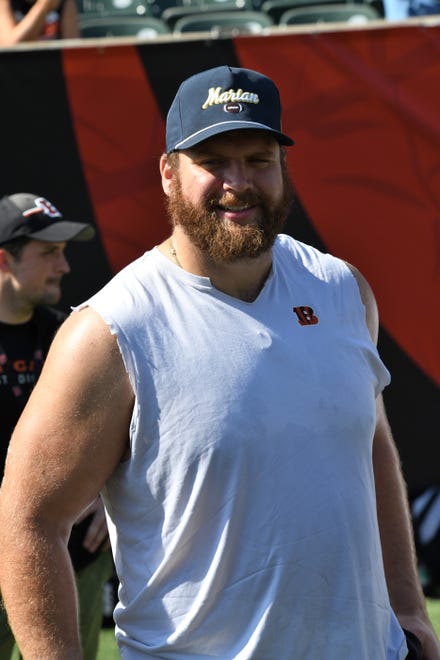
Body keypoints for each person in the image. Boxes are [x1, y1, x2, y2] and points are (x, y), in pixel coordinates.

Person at [0, 66, 438, 659]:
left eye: (258, 159)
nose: (239, 182)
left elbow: (372, 448)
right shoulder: (110, 331)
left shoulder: (343, 291)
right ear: (168, 174)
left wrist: (409, 609)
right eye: (213, 161)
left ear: (283, 170)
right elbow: (30, 519)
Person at [0, 192, 113, 659]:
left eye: (64, 252)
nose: (64, 266)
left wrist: (110, 496)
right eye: (49, 252)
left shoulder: (73, 339)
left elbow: (124, 433)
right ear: (4, 258)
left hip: (71, 560)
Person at [0, 0, 79, 46]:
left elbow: (72, 49)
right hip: (16, 69)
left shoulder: (63, 2)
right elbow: (10, 48)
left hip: (52, 68)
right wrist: (44, 5)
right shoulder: (5, 2)